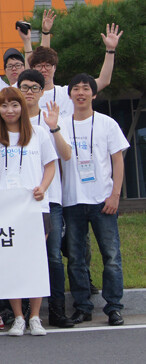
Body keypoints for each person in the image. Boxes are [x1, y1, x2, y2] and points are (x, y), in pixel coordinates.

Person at [0, 87, 57, 337]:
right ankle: (18, 317)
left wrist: (43, 187)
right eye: (4, 106)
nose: (9, 110)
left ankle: (35, 316)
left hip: (35, 206)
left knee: (34, 262)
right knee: (11, 263)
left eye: (14, 105)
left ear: (22, 107)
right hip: (5, 208)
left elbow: (50, 166)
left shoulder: (38, 133)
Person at [61, 74, 129, 327]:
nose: (81, 93)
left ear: (94, 93)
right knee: (76, 258)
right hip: (72, 200)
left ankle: (114, 307)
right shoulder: (60, 124)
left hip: (103, 200)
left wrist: (115, 194)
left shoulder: (107, 123)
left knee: (111, 256)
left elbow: (117, 160)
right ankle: (82, 307)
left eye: (86, 89)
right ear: (70, 95)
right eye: (76, 89)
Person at [17, 69, 76, 328]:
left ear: (42, 92)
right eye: (25, 87)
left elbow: (66, 155)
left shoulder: (52, 118)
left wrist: (54, 128)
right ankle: (23, 312)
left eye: (34, 88)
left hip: (49, 199)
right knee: (21, 256)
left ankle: (57, 311)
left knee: (52, 257)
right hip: (19, 203)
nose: (29, 92)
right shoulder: (10, 120)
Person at [29, 23, 121, 118]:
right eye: (39, 66)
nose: (43, 70)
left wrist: (110, 50)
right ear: (33, 68)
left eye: (47, 65)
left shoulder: (68, 92)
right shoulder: (27, 95)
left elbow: (103, 81)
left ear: (54, 67)